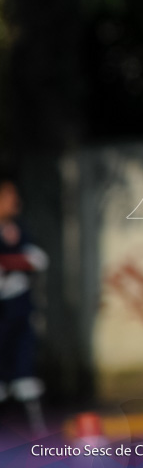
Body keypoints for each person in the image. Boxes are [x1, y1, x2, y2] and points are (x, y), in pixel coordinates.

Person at [0, 174, 48, 429]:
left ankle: (37, 431)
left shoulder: (20, 228)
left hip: (20, 309)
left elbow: (38, 259)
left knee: (25, 368)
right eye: (8, 197)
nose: (14, 202)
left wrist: (10, 262)